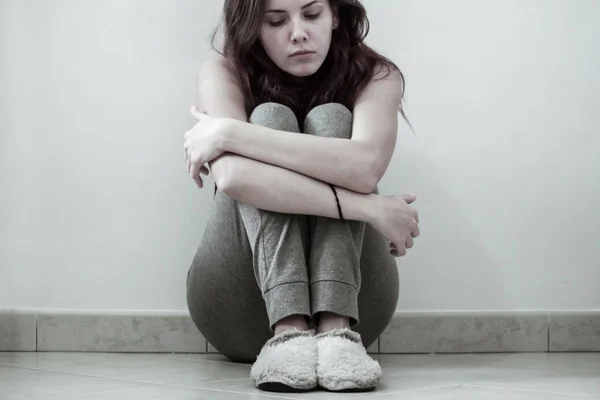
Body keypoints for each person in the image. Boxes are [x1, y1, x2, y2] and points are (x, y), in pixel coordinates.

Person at [184, 0, 420, 393]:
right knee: (270, 115)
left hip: (360, 309)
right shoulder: (223, 71)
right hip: (237, 307)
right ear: (253, 27)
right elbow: (232, 176)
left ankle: (335, 328)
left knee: (331, 119)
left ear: (336, 15)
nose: (298, 33)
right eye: (276, 21)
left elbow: (364, 167)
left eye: (312, 15)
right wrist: (369, 208)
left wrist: (229, 133)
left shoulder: (378, 76)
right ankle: (287, 328)